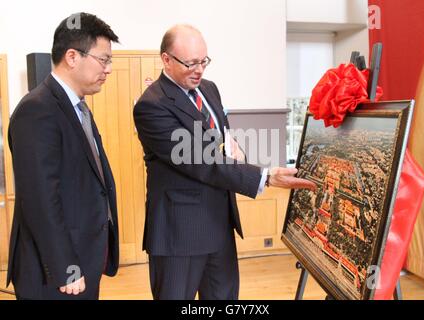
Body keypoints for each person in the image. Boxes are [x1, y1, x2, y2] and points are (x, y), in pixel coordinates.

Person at [133, 24, 316, 300]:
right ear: (166, 60)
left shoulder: (209, 89)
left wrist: (239, 151)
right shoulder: (152, 105)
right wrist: (264, 176)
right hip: (179, 234)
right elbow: (200, 159)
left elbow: (223, 140)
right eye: (190, 63)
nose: (199, 69)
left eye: (204, 61)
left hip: (219, 224)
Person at [7, 12, 120, 300]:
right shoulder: (38, 110)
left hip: (83, 258)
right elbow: (40, 198)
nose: (108, 69)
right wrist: (66, 266)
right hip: (55, 272)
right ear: (72, 57)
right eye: (103, 59)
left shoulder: (78, 107)